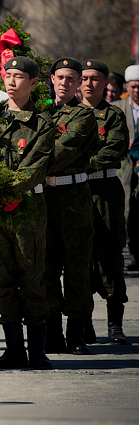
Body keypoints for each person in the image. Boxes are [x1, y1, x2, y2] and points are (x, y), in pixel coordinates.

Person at [0, 56, 55, 370]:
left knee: (32, 275)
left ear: (34, 82)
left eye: (19, 76)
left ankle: (37, 349)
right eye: (8, 75)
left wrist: (4, 188)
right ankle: (13, 348)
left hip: (28, 208)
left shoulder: (43, 123)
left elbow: (35, 168)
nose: (11, 82)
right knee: (3, 278)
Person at [43, 57, 99, 356]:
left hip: (74, 197)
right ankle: (52, 332)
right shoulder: (39, 112)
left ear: (79, 83)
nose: (64, 82)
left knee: (77, 268)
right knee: (47, 267)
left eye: (71, 78)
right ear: (51, 79)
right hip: (45, 197)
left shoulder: (84, 116)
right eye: (60, 77)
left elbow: (58, 152)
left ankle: (76, 332)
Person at [79, 60, 129, 345]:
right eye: (84, 78)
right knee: (79, 260)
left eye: (95, 79)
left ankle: (115, 324)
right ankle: (84, 324)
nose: (89, 84)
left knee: (109, 255)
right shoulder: (66, 115)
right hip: (75, 192)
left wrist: (79, 164)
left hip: (105, 191)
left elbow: (114, 150)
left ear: (106, 82)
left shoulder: (113, 115)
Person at [114, 65, 139, 271]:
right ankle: (129, 250)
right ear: (127, 88)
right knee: (126, 209)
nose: (137, 90)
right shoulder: (118, 108)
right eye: (133, 86)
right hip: (125, 168)